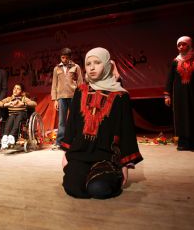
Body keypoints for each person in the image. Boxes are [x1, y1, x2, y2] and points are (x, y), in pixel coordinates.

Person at [61, 47, 143, 199]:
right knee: (73, 188)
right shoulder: (80, 91)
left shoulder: (120, 95)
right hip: (80, 153)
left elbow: (126, 131)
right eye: (88, 63)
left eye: (97, 63)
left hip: (107, 156)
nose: (92, 67)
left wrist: (125, 164)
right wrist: (66, 153)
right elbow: (72, 123)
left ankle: (104, 177)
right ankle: (85, 174)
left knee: (98, 189)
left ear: (106, 65)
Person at [164, 36, 194, 151]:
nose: (180, 47)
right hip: (179, 95)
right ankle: (183, 142)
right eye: (178, 45)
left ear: (189, 45)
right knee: (181, 117)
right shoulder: (176, 61)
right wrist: (167, 95)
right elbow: (170, 79)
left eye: (183, 44)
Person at [51, 47, 83, 150]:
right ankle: (59, 142)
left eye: (66, 58)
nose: (64, 60)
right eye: (62, 57)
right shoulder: (57, 68)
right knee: (61, 120)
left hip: (73, 96)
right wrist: (55, 99)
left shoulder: (76, 67)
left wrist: (80, 97)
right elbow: (54, 85)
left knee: (75, 119)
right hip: (61, 97)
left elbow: (80, 83)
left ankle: (76, 140)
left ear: (70, 57)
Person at [0, 83, 37, 149]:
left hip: (22, 115)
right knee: (11, 116)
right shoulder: (9, 99)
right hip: (12, 115)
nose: (15, 90)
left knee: (19, 114)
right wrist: (7, 104)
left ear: (21, 92)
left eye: (18, 89)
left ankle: (12, 136)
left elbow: (34, 103)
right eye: (14, 88)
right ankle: (5, 137)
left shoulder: (23, 98)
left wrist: (23, 103)